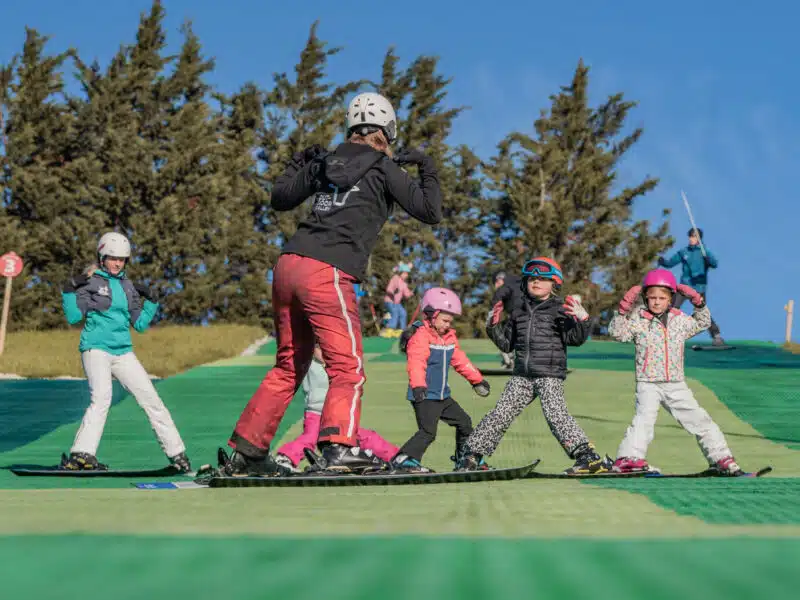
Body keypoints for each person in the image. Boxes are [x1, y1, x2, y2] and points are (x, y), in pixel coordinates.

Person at [225, 91, 442, 476]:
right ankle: (339, 447)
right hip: (328, 270)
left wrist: (299, 163)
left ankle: (248, 451)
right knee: (349, 367)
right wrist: (425, 166)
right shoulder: (382, 166)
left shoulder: (325, 161)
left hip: (289, 265)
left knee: (289, 365)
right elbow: (430, 211)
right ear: (388, 130)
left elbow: (279, 198)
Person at [455, 257, 612, 474]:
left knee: (556, 414)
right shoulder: (518, 311)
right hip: (522, 375)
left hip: (549, 374)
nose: (536, 282)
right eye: (531, 279)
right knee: (501, 412)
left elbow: (574, 339)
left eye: (542, 279)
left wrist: (583, 321)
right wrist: (492, 327)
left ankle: (588, 457)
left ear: (554, 283)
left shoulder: (559, 309)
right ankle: (471, 456)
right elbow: (507, 344)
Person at [59, 232, 191, 472]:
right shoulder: (89, 282)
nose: (118, 263)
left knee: (152, 400)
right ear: (101, 257)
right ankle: (81, 455)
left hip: (123, 353)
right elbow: (73, 316)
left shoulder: (128, 286)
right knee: (101, 398)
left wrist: (151, 301)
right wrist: (69, 291)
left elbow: (139, 324)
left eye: (122, 259)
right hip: (96, 348)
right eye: (112, 258)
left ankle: (177, 454)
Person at [608, 269, 743, 475]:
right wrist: (622, 311)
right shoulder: (638, 318)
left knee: (700, 419)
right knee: (643, 420)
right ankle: (629, 459)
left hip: (675, 383)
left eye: (662, 298)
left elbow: (702, 323)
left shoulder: (679, 320)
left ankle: (721, 458)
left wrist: (699, 303)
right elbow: (617, 333)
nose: (656, 302)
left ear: (671, 298)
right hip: (648, 383)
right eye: (652, 297)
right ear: (645, 297)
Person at [390, 288, 491, 472]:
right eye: (444, 320)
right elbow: (416, 363)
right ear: (431, 315)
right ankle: (404, 460)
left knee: (464, 422)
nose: (447, 325)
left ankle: (465, 458)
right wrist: (418, 386)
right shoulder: (421, 337)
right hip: (425, 395)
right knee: (428, 432)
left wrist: (477, 380)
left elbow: (460, 360)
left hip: (443, 396)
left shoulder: (448, 338)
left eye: (450, 321)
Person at [275, 343, 400, 472]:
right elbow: (316, 349)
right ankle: (285, 457)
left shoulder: (334, 359)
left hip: (334, 412)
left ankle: (396, 457)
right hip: (317, 411)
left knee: (360, 436)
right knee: (311, 437)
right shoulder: (314, 355)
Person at [658, 228, 725, 346]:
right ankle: (663, 334)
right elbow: (671, 263)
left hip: (698, 289)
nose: (691, 239)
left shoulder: (704, 252)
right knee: (672, 308)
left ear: (699, 238)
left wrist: (708, 260)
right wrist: (663, 261)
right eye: (690, 236)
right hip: (684, 287)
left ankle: (716, 336)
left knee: (702, 312)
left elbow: (715, 264)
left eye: (694, 237)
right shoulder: (684, 252)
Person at [490, 270, 524, 369]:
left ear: (499, 280)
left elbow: (497, 300)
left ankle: (509, 361)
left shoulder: (506, 286)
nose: (496, 286)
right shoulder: (522, 282)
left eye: (496, 283)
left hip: (517, 317)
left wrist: (492, 315)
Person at [383, 262, 414, 337]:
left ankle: (401, 330)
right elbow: (388, 289)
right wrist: (392, 293)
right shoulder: (395, 278)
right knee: (395, 312)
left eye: (407, 273)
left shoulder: (404, 284)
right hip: (390, 300)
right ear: (400, 273)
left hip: (397, 303)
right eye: (404, 273)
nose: (406, 275)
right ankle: (390, 329)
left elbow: (406, 294)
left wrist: (410, 293)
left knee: (403, 313)